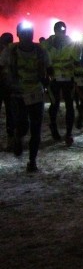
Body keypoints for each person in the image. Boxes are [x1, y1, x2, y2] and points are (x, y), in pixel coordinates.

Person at [0, 22, 50, 172]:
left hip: (35, 93)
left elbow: (48, 69)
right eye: (24, 34)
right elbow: (2, 67)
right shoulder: (11, 50)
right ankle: (18, 137)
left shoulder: (40, 51)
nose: (27, 37)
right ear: (18, 35)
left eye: (29, 33)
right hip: (18, 94)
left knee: (36, 129)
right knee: (22, 125)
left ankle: (32, 160)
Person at [44, 21, 77, 146]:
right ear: (55, 31)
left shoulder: (71, 43)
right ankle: (53, 126)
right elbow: (42, 59)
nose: (61, 32)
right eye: (59, 30)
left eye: (63, 30)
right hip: (54, 79)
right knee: (55, 104)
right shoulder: (47, 44)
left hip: (68, 78)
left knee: (69, 105)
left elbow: (77, 58)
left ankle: (69, 133)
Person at [0, 32, 13, 151]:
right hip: (8, 86)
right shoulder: (11, 51)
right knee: (10, 113)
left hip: (5, 85)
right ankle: (10, 140)